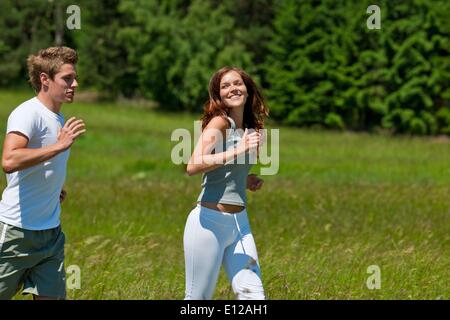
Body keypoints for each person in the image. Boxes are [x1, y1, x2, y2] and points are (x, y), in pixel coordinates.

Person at [0, 46, 85, 300]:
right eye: (67, 79)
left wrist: (52, 190)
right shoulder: (27, 113)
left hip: (51, 235)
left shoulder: (58, 119)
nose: (75, 84)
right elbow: (9, 159)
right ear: (45, 80)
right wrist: (59, 146)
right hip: (16, 233)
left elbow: (41, 165)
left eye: (75, 77)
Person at [184, 66, 269, 300]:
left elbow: (229, 169)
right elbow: (193, 165)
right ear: (218, 95)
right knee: (197, 300)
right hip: (208, 222)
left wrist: (246, 179)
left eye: (237, 83)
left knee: (254, 298)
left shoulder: (251, 129)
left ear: (247, 88)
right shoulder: (220, 123)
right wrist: (238, 149)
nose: (233, 89)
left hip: (240, 225)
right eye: (225, 86)